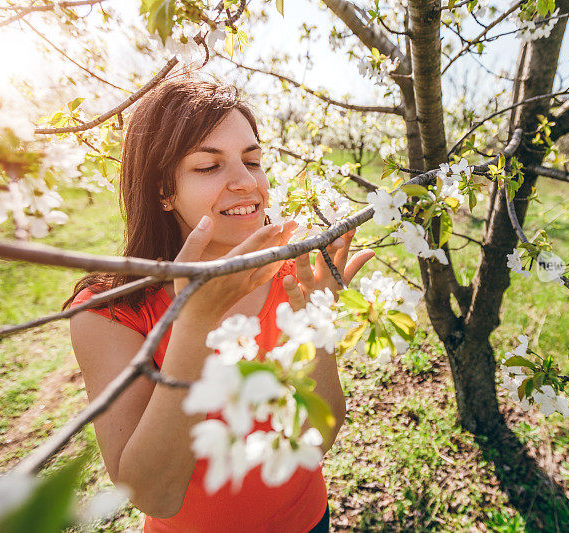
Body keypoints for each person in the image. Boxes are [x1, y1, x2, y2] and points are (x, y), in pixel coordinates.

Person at [63, 76, 374, 532]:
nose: (247, 182)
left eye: (253, 160)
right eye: (209, 166)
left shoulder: (294, 275)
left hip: (309, 520)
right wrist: (193, 326)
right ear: (162, 191)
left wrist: (316, 327)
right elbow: (154, 496)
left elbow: (319, 436)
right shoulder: (109, 312)